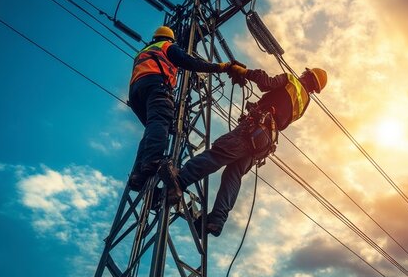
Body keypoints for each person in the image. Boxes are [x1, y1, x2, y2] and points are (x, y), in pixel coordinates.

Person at [168, 64, 328, 236]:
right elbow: (280, 111)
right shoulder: (304, 104)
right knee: (234, 174)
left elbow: (266, 83)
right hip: (264, 143)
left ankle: (180, 180)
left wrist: (245, 73)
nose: (302, 73)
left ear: (308, 76)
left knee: (219, 154)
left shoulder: (291, 80)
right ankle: (216, 220)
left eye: (305, 72)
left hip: (253, 130)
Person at [127, 26, 231, 196]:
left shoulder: (145, 50)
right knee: (160, 121)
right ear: (170, 39)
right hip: (156, 85)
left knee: (151, 129)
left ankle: (138, 175)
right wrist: (220, 67)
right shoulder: (167, 46)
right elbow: (189, 62)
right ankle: (152, 160)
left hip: (136, 93)